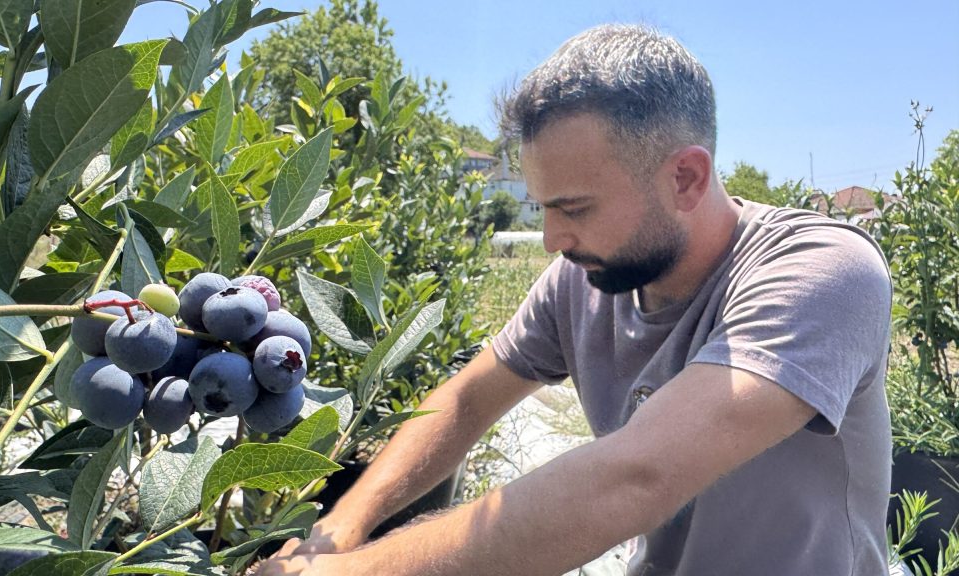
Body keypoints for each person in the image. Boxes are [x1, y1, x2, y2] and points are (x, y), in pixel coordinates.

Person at [256, 23, 893, 576]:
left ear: (687, 178)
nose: (552, 238)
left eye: (574, 208)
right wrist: (337, 532)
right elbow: (466, 400)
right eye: (544, 208)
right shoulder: (584, 276)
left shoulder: (821, 270)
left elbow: (634, 478)